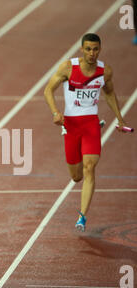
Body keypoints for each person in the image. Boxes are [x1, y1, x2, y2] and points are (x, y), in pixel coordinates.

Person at [44, 33, 129, 232]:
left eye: (96, 49)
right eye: (88, 49)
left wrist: (120, 118)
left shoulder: (105, 71)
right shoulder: (68, 67)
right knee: (76, 177)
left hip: (90, 123)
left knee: (90, 167)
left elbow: (109, 93)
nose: (92, 53)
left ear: (100, 49)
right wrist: (56, 113)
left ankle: (82, 216)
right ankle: (79, 159)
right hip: (71, 125)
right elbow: (48, 90)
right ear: (82, 49)